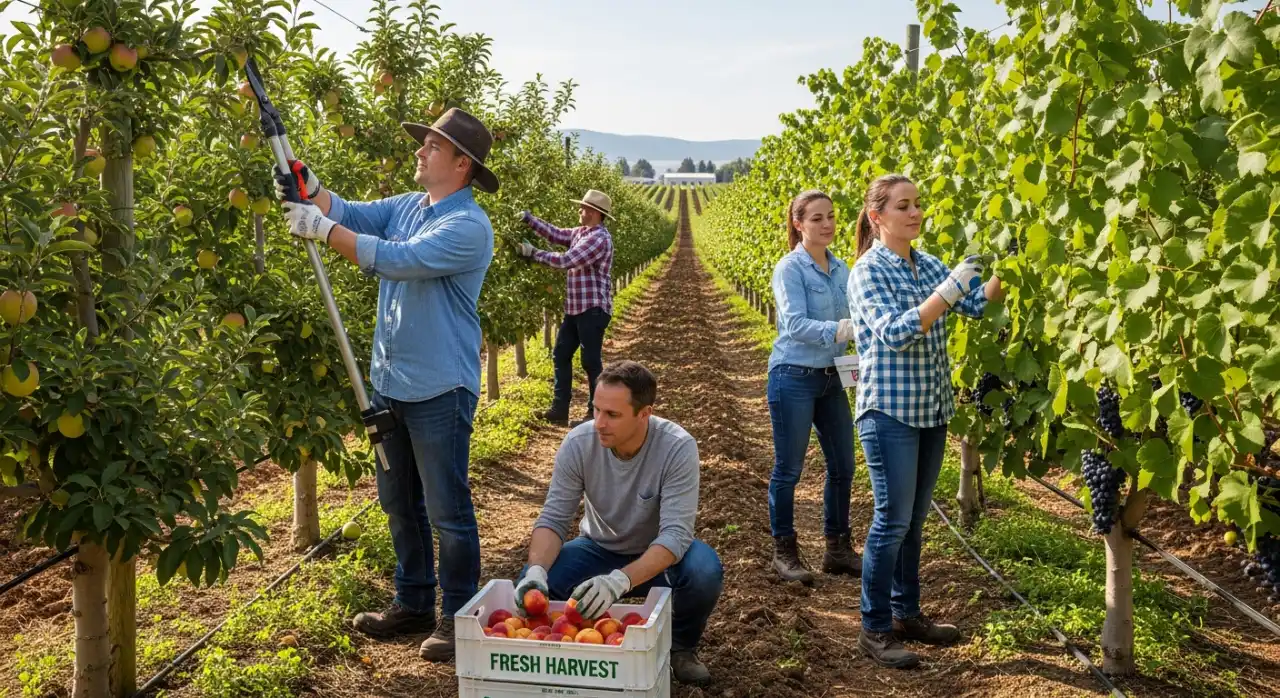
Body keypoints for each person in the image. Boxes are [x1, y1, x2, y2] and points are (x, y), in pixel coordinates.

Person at [275, 108, 499, 662]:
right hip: (389, 381)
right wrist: (315, 190)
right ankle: (413, 601)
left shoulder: (468, 226)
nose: (420, 151)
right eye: (423, 143)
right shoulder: (407, 206)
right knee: (398, 501)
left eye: (432, 146)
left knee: (448, 508)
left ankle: (458, 614)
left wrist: (323, 230)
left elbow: (398, 261)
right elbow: (352, 213)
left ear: (461, 164)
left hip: (440, 388)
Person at [846, 173, 1003, 669]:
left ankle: (906, 613)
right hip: (888, 412)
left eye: (917, 205)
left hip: (932, 411)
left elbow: (978, 304)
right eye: (903, 206)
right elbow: (896, 332)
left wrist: (1014, 262)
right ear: (877, 217)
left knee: (914, 522)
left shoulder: (929, 263)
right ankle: (874, 628)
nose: (914, 214)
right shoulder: (868, 272)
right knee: (890, 521)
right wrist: (950, 289)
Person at [512, 360, 722, 687]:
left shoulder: (677, 447)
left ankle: (681, 648)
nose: (599, 423)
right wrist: (537, 568)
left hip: (659, 557)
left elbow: (675, 536)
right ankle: (554, 651)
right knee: (532, 581)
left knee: (704, 571)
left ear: (644, 414)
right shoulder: (579, 444)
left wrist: (618, 581)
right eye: (596, 410)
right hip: (597, 549)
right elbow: (554, 518)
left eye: (612, 415)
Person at [765, 189, 860, 586]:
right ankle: (783, 552)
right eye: (817, 218)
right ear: (798, 224)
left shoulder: (843, 269)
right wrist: (843, 329)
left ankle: (837, 548)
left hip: (831, 377)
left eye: (832, 217)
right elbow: (795, 325)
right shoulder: (791, 269)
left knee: (844, 465)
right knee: (790, 468)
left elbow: (860, 312)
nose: (827, 224)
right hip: (794, 376)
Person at [517, 190, 616, 427]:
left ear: (593, 212)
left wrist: (534, 254)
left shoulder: (598, 239)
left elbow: (567, 260)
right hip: (575, 309)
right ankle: (559, 410)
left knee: (590, 361)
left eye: (582, 208)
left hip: (593, 308)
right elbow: (556, 234)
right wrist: (529, 219)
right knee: (561, 354)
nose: (579, 211)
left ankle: (594, 413)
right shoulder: (582, 232)